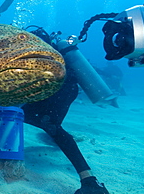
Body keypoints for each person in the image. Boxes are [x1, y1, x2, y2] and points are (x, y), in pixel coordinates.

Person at [21, 29, 109, 194]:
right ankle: (88, 179)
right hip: (69, 87)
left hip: (60, 86)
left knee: (49, 125)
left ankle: (89, 180)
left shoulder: (28, 52)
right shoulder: (54, 50)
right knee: (50, 124)